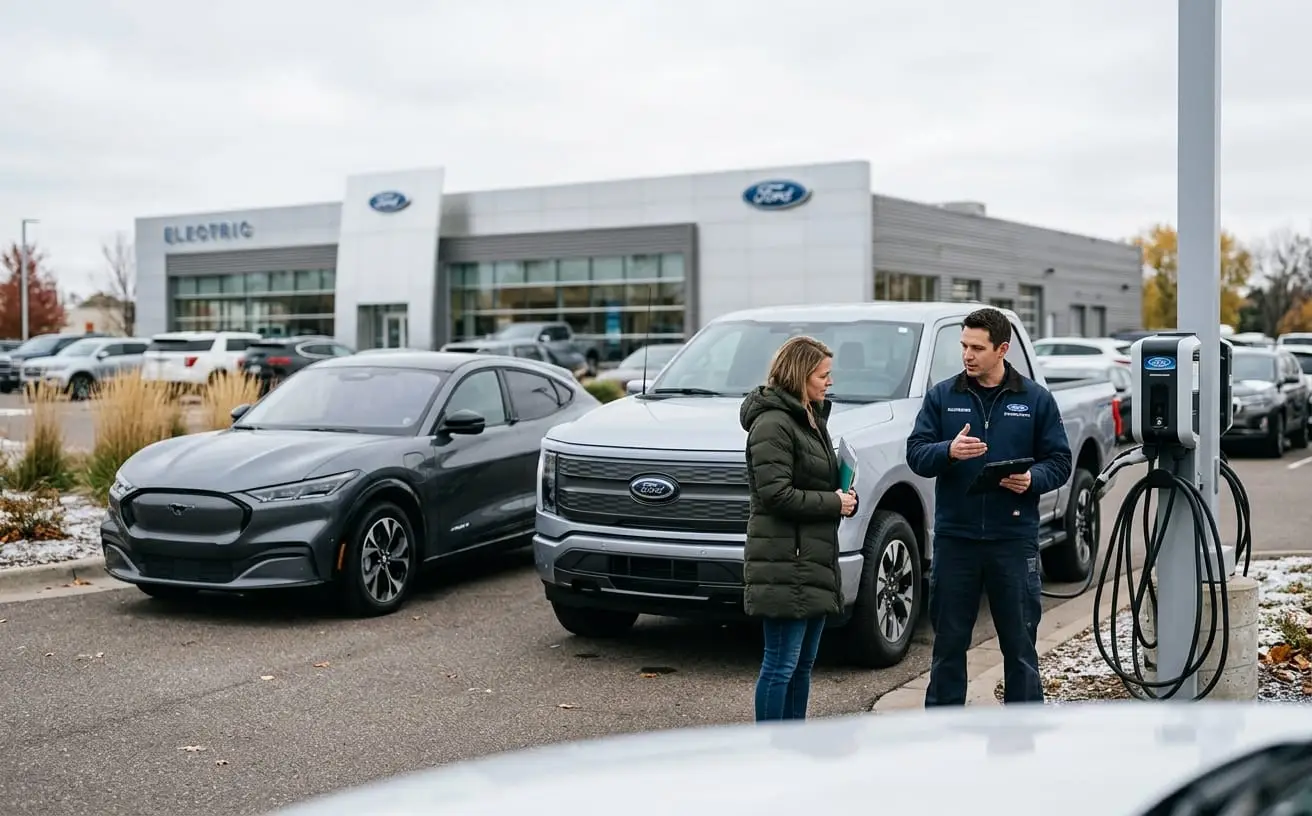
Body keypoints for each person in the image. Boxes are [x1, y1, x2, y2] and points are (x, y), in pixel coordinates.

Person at [906, 307, 1072, 706]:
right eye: (964, 345)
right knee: (948, 648)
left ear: (1002, 349)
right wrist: (948, 450)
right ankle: (945, 738)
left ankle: (1023, 735)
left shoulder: (1034, 400)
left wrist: (1033, 479)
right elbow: (916, 454)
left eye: (977, 347)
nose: (967, 354)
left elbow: (1060, 461)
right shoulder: (943, 396)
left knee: (1020, 650)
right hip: (955, 541)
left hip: (1012, 542)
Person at [740, 335, 858, 722]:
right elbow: (776, 494)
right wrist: (833, 502)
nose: (830, 381)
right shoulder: (772, 423)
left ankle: (795, 743)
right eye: (823, 374)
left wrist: (842, 493)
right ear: (799, 374)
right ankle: (771, 749)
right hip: (783, 560)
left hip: (811, 557)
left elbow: (811, 482)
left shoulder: (811, 418)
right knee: (780, 665)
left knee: (803, 665)